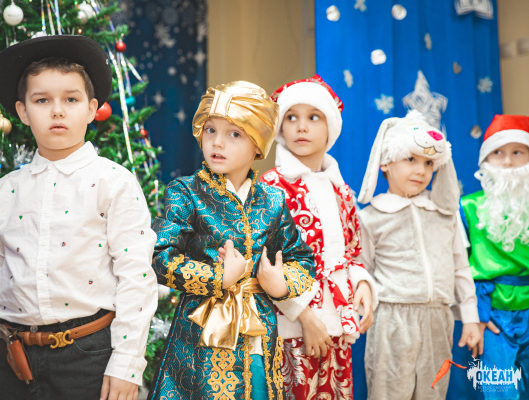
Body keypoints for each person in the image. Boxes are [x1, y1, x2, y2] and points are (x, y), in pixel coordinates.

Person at [0, 35, 158, 400]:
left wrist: (127, 363)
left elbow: (136, 277)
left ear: (91, 108)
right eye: (42, 100)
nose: (57, 111)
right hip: (13, 357)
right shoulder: (5, 192)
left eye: (71, 99)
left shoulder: (114, 183)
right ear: (22, 112)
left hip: (90, 356)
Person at [147, 81, 316, 399]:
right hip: (199, 337)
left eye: (234, 134)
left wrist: (281, 284)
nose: (217, 142)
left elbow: (302, 260)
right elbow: (159, 256)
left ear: (258, 145)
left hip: (259, 333)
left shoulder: (272, 200)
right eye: (210, 130)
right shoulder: (185, 193)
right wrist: (216, 277)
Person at [259, 75, 377, 399]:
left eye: (314, 117)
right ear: (280, 127)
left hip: (337, 325)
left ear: (331, 127)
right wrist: (304, 316)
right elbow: (263, 263)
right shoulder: (271, 187)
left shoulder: (342, 190)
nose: (301, 127)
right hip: (290, 329)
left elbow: (353, 252)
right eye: (291, 117)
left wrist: (363, 284)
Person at [356, 110, 480, 399]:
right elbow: (363, 270)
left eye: (428, 163)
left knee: (433, 391)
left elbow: (460, 267)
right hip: (392, 319)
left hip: (438, 319)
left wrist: (470, 317)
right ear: (386, 162)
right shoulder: (371, 217)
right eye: (410, 159)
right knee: (388, 392)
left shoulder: (445, 215)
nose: (421, 171)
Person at [461, 114, 529, 398]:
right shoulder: (468, 207)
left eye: (518, 152)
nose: (508, 162)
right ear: (485, 160)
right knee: (499, 390)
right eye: (498, 153)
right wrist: (474, 313)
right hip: (491, 314)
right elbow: (456, 267)